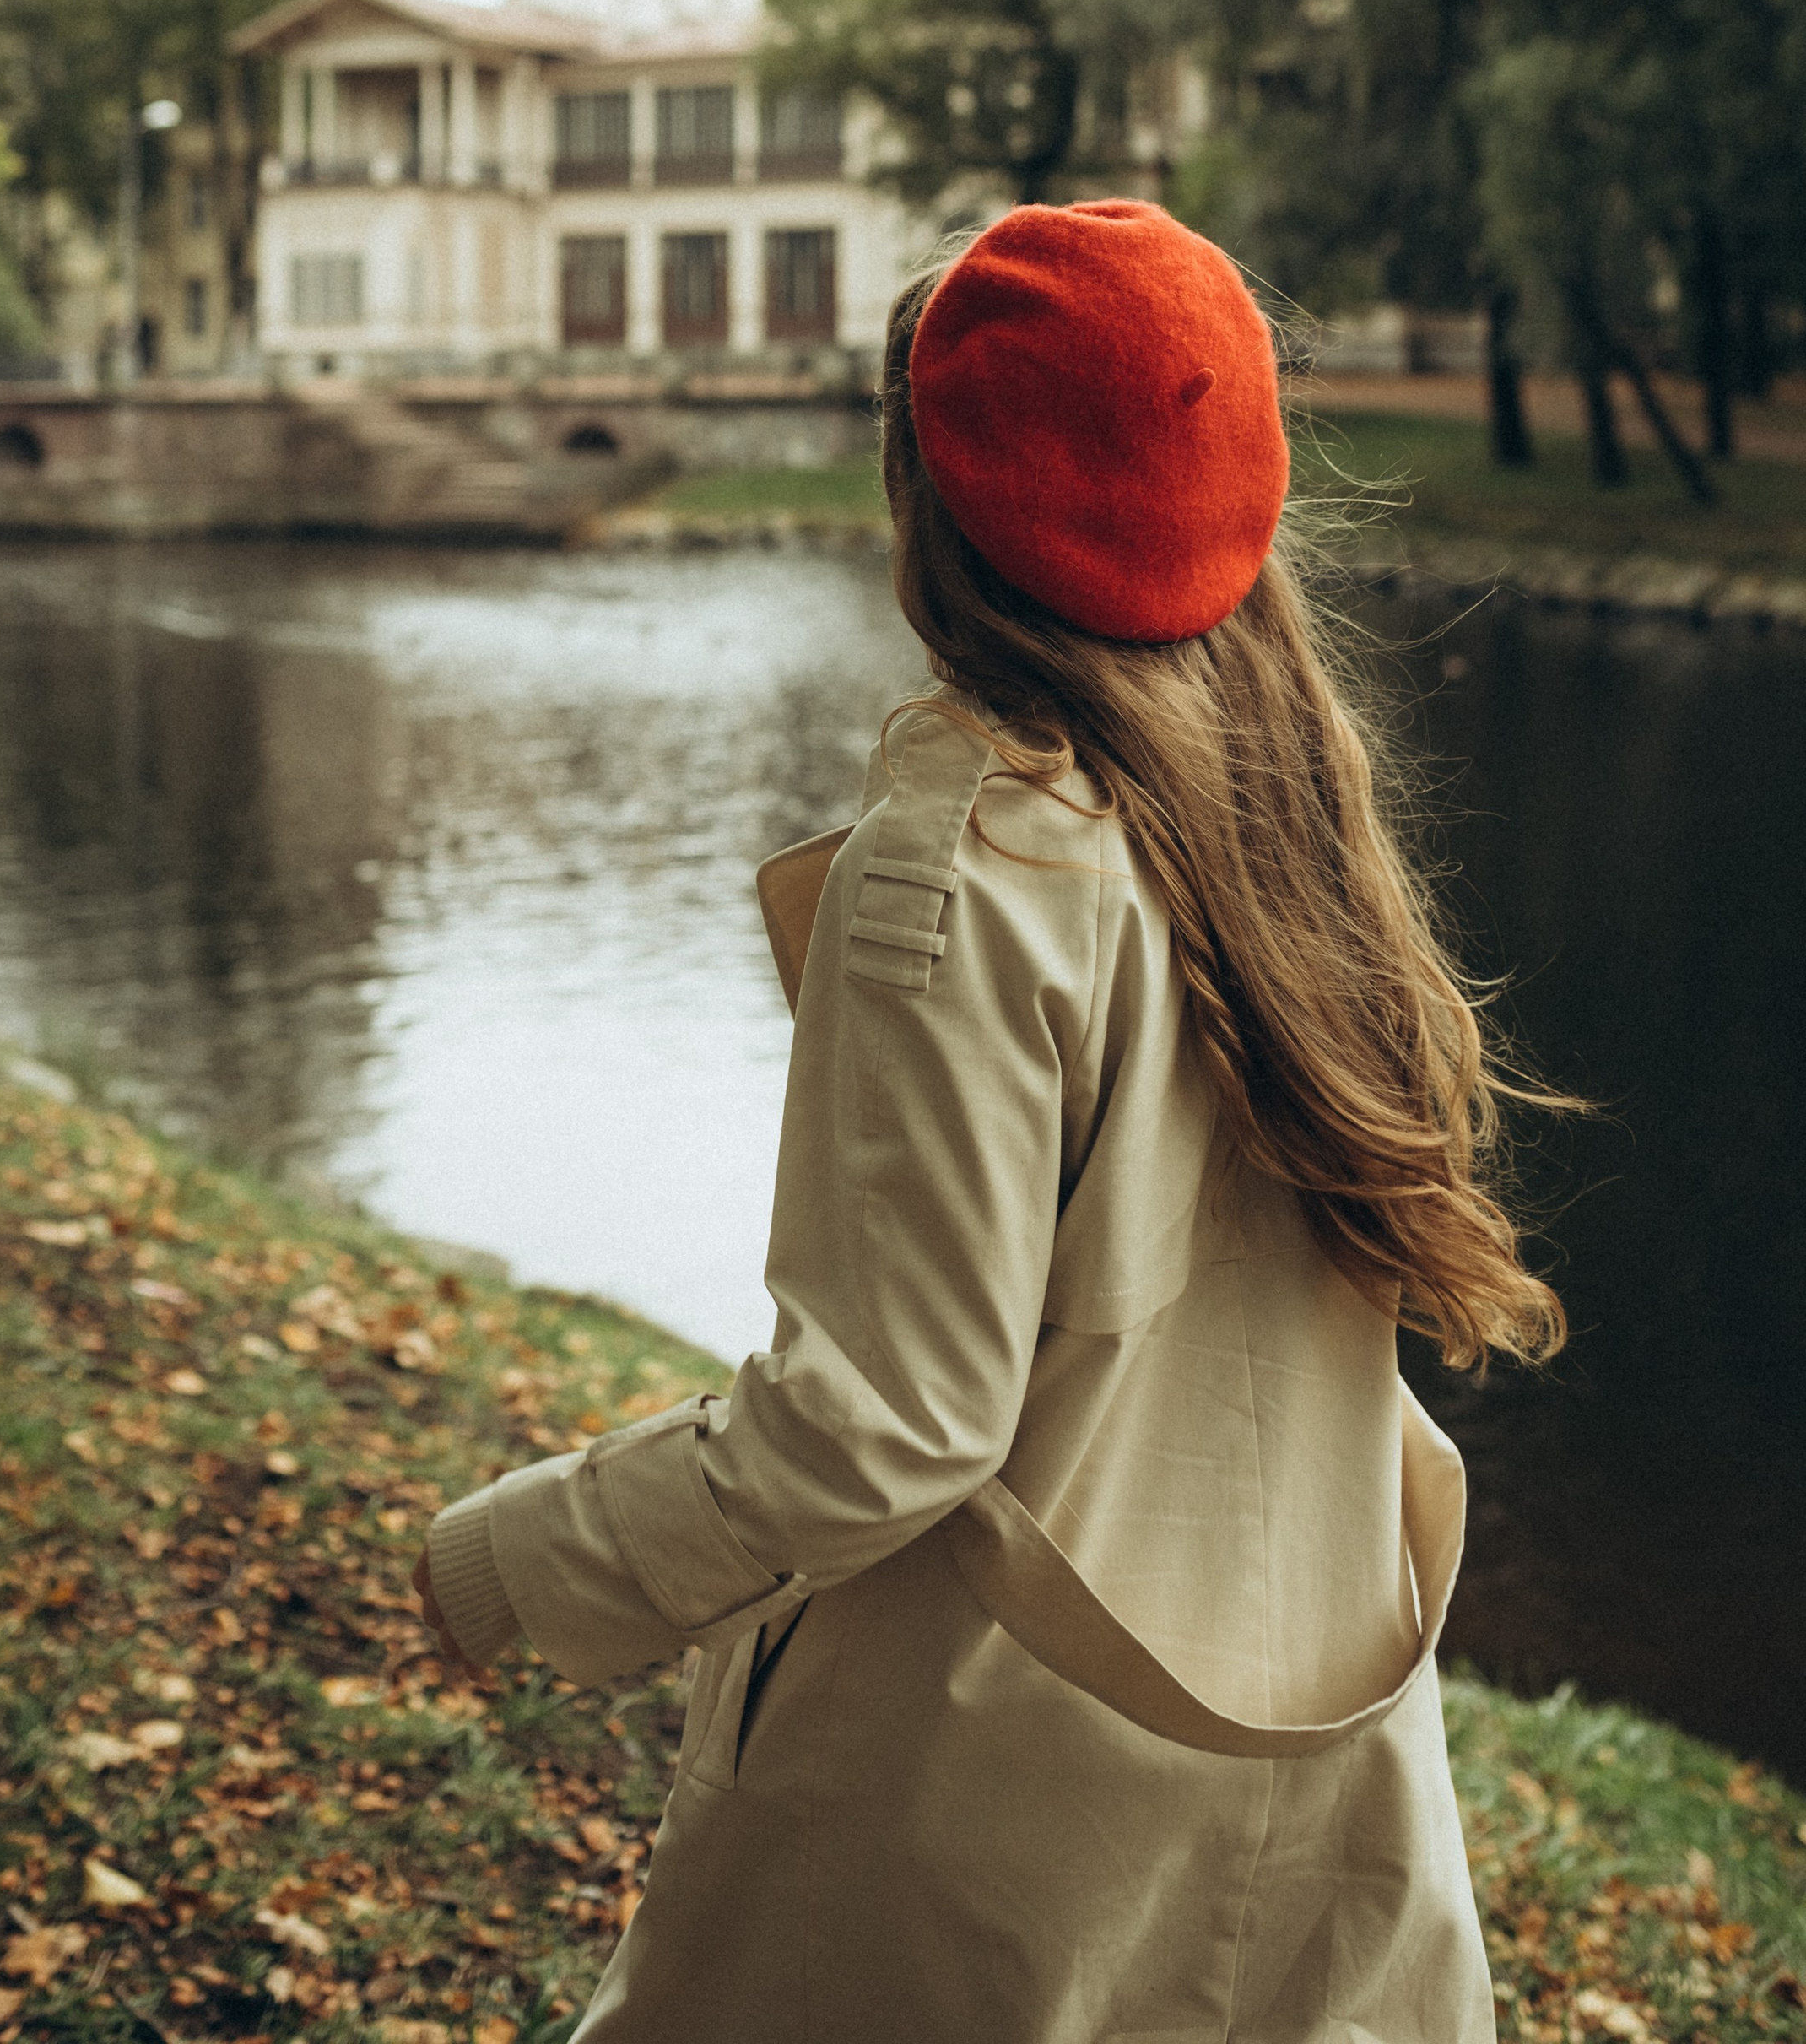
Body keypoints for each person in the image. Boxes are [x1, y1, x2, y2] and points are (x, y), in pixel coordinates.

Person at [418, 198, 1564, 2044]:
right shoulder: (1287, 820)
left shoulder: (959, 877)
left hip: (985, 1795)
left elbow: (883, 1427)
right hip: (1308, 1734)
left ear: (928, 496)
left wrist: (516, 1562)